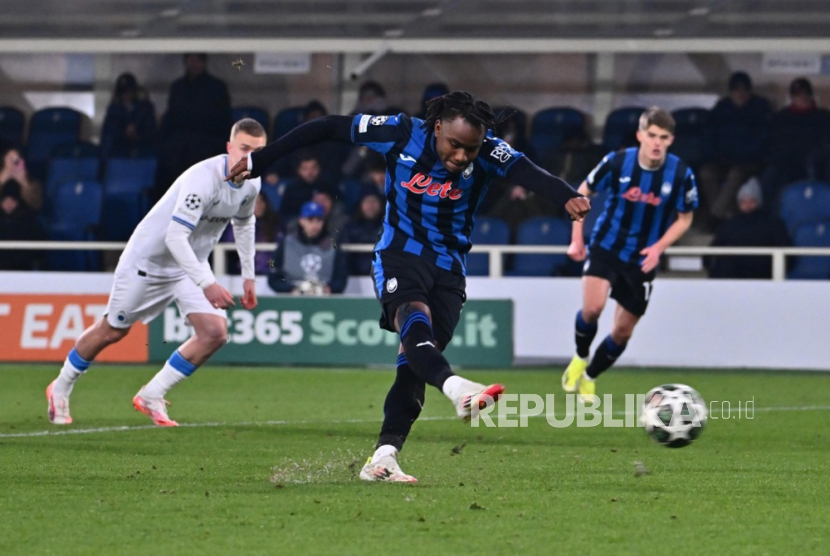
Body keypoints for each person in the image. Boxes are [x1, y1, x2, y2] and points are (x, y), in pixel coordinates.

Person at [227, 90, 590, 482]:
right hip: (399, 253)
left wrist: (565, 195)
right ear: (437, 127)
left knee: (415, 363)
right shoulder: (399, 132)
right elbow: (328, 127)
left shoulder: (488, 149)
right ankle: (456, 388)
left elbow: (526, 172)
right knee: (413, 316)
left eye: (470, 149)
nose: (462, 157)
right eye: (454, 145)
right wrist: (260, 160)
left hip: (449, 267)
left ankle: (383, 457)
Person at [45, 119, 267, 427]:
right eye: (244, 149)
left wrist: (248, 276)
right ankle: (61, 385)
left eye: (257, 152)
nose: (248, 158)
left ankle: (152, 394)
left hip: (191, 262)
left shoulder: (252, 183)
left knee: (215, 333)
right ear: (229, 148)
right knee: (113, 330)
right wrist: (208, 284)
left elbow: (244, 224)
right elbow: (174, 238)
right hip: (148, 262)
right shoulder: (202, 179)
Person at [562, 107, 698, 401]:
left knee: (623, 331)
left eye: (663, 137)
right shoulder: (616, 162)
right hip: (607, 246)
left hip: (642, 259)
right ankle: (580, 356)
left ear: (671, 140)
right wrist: (576, 239)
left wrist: (659, 247)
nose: (657, 142)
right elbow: (580, 195)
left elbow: (685, 218)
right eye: (651, 135)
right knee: (593, 309)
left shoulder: (681, 174)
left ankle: (590, 376)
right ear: (640, 135)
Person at [697, 71, 772, 226]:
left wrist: (744, 156)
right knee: (706, 173)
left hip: (749, 162)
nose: (741, 93)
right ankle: (725, 216)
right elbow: (709, 137)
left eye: (744, 89)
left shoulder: (760, 108)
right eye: (737, 89)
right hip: (722, 160)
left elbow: (762, 141)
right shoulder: (722, 108)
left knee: (735, 174)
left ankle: (715, 217)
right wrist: (715, 156)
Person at [155, 53, 232, 202]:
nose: (194, 64)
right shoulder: (178, 87)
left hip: (206, 148)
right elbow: (171, 118)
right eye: (191, 60)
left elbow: (222, 120)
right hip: (179, 151)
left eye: (197, 60)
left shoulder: (217, 87)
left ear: (203, 62)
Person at [706, 177, 791, 279]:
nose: (747, 205)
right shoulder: (729, 225)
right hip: (732, 281)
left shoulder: (772, 224)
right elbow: (714, 249)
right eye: (743, 201)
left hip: (762, 279)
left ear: (758, 201)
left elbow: (786, 252)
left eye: (751, 201)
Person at [267, 200, 348, 295]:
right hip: (291, 298)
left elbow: (342, 277)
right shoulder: (286, 243)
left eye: (319, 220)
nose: (315, 225)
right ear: (301, 220)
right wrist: (290, 289)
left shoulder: (333, 245)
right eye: (310, 220)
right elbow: (272, 273)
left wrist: (329, 288)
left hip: (323, 298)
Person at [100, 72, 157, 158]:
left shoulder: (145, 108)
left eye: (129, 91)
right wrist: (124, 132)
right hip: (120, 146)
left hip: (142, 145)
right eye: (123, 92)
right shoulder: (114, 109)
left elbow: (151, 129)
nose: (126, 95)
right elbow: (109, 130)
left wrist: (137, 133)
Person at [0, 179, 45, 270]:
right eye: (5, 200)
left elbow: (37, 250)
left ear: (18, 201)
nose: (8, 205)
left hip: (23, 269)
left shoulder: (28, 220)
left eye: (12, 200)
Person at [341, 189, 385, 275]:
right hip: (353, 277)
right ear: (360, 204)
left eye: (374, 201)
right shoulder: (350, 226)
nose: (371, 206)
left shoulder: (388, 227)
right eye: (367, 202)